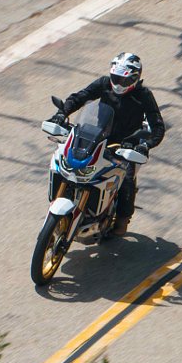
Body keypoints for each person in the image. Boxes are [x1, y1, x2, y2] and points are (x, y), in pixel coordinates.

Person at [48, 52, 165, 235]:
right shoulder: (104, 84)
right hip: (98, 136)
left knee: (126, 176)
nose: (118, 84)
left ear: (135, 78)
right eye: (115, 78)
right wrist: (62, 113)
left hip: (125, 146)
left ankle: (122, 220)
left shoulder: (143, 95)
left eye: (123, 81)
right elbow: (80, 97)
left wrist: (144, 145)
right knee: (64, 157)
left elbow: (157, 127)